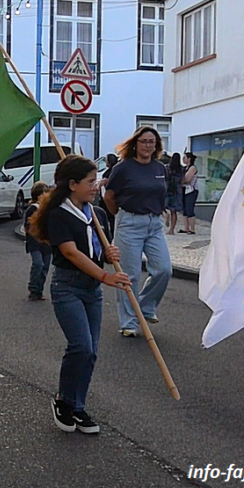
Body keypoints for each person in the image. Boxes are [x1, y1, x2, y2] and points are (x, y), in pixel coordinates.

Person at [29, 155, 129, 434]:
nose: (95, 186)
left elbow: (99, 252)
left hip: (91, 290)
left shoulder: (95, 215)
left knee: (92, 352)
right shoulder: (59, 214)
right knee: (80, 346)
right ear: (72, 184)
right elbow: (70, 252)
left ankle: (78, 405)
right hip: (68, 287)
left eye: (95, 181)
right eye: (90, 182)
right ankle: (63, 400)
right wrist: (106, 276)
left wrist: (109, 256)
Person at [103, 126, 172, 338]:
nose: (147, 145)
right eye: (143, 141)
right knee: (129, 275)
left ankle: (145, 306)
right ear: (135, 144)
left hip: (153, 224)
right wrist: (122, 218)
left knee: (163, 269)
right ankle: (129, 322)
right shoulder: (123, 168)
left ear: (157, 146)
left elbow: (162, 193)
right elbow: (109, 197)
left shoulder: (160, 168)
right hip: (129, 223)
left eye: (151, 142)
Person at [24, 181, 52, 301]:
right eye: (42, 193)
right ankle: (33, 288)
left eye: (46, 193)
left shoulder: (48, 209)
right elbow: (27, 226)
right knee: (38, 263)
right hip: (35, 242)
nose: (44, 195)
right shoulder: (32, 209)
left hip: (46, 243)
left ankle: (39, 290)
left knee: (45, 266)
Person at [165, 153, 184, 235]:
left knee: (162, 207)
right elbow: (183, 180)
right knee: (174, 212)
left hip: (167, 189)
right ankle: (172, 229)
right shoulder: (182, 169)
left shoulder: (167, 168)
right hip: (176, 191)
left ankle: (165, 215)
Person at [181, 153, 198, 234]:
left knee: (189, 208)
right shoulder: (184, 168)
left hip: (191, 190)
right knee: (184, 209)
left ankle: (192, 228)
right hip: (184, 189)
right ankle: (186, 228)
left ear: (189, 159)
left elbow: (187, 179)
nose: (183, 159)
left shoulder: (192, 168)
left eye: (185, 157)